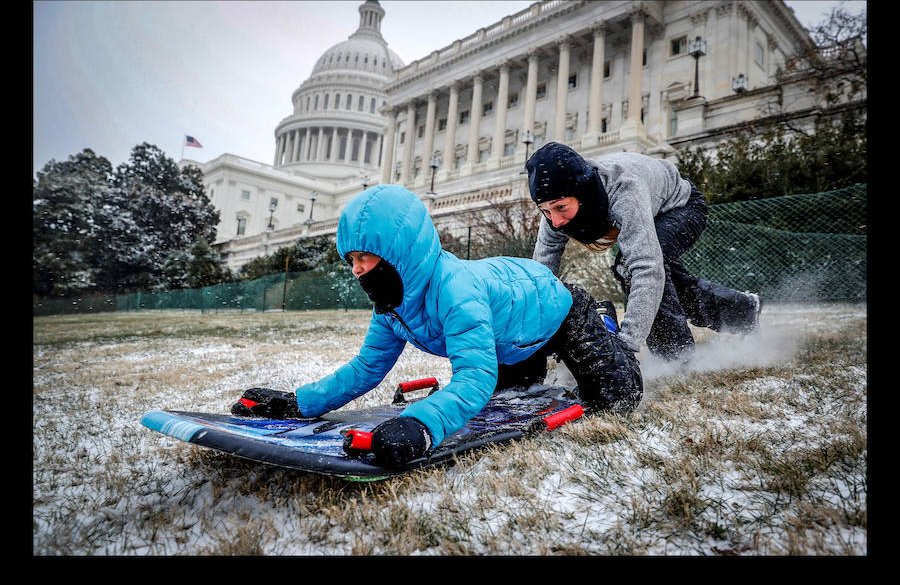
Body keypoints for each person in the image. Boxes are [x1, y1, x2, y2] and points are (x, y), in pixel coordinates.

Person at [231, 184, 641, 467]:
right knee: (515, 397)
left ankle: (602, 319)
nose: (357, 272)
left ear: (398, 252)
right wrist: (299, 404)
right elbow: (366, 369)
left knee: (618, 397)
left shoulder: (454, 290)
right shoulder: (391, 307)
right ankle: (539, 360)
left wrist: (422, 425)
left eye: (363, 259)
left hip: (556, 312)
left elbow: (473, 378)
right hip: (509, 342)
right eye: (350, 261)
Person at [526, 142, 762, 364]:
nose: (555, 221)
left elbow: (646, 268)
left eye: (560, 208)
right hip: (650, 204)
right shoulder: (554, 204)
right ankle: (744, 311)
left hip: (681, 207)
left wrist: (626, 343)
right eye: (545, 211)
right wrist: (536, 335)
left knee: (633, 268)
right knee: (674, 287)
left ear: (582, 192)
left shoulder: (623, 190)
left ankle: (675, 357)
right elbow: (541, 275)